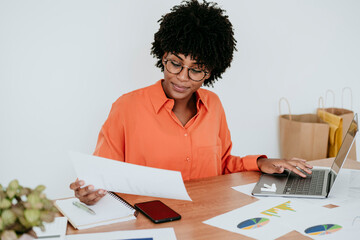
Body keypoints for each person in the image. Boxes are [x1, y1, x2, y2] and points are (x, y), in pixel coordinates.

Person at [70, 0, 312, 205]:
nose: (182, 77)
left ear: (210, 72)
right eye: (175, 63)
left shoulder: (213, 105)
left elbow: (223, 164)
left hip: (207, 216)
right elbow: (102, 177)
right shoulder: (126, 108)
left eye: (196, 70)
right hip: (148, 219)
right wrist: (90, 193)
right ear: (163, 55)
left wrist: (261, 162)